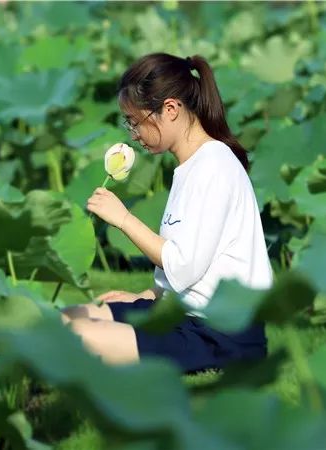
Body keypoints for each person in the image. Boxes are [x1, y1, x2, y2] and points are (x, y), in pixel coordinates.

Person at [61, 53, 273, 373]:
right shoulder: (190, 166)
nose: (133, 133)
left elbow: (183, 265)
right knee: (69, 317)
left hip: (223, 337)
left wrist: (123, 219)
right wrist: (149, 294)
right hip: (188, 319)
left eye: (135, 121)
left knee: (77, 335)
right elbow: (188, 252)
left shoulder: (215, 167)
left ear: (170, 109)